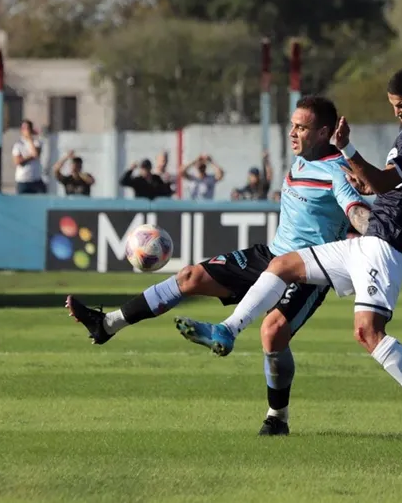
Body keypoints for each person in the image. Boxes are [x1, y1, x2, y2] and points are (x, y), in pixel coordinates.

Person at [176, 68, 402, 445]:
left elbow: (384, 181)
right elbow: (388, 185)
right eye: (394, 107)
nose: (398, 114)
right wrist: (361, 178)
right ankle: (226, 330)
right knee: (283, 264)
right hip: (373, 237)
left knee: (367, 332)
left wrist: (348, 151)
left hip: (390, 245)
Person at [65, 96, 371, 436]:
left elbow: (356, 212)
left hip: (306, 273)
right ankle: (107, 324)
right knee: (189, 276)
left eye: (302, 127)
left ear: (325, 132)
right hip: (269, 256)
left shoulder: (336, 171)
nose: (293, 133)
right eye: (292, 125)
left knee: (272, 333)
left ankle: (277, 417)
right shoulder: (299, 161)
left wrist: (380, 233)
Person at [13, 119, 46, 194]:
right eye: (24, 128)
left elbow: (36, 154)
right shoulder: (18, 144)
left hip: (36, 180)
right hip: (23, 180)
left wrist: (30, 139)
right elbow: (18, 161)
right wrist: (31, 156)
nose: (26, 131)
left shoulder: (36, 142)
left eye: (28, 128)